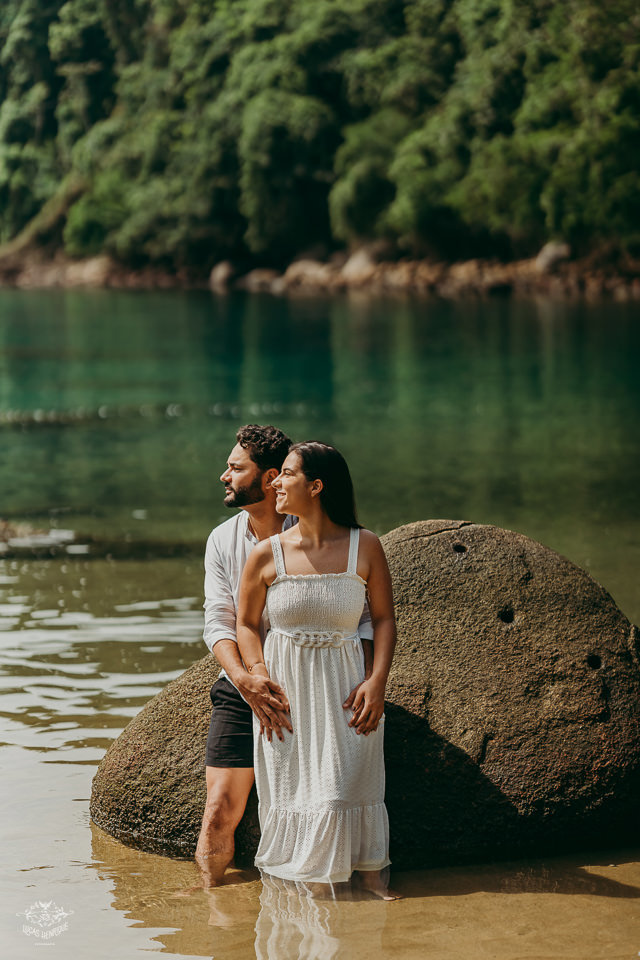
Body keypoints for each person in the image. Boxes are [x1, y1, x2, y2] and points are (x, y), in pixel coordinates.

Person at [196, 426, 374, 887]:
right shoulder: (223, 540)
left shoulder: (327, 531)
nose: (224, 476)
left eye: (236, 468)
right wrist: (247, 679)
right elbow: (222, 622)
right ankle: (212, 909)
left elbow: (366, 618)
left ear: (272, 476)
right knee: (218, 810)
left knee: (330, 799)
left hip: (323, 681)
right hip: (248, 682)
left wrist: (369, 680)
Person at [236, 441, 398, 899]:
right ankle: (308, 887)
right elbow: (245, 624)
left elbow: (383, 618)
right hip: (286, 692)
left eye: (286, 474)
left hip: (348, 687)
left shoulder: (364, 546)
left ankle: (367, 878)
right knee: (297, 793)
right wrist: (257, 674)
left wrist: (377, 682)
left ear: (317, 486)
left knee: (346, 788)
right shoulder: (266, 554)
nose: (275, 482)